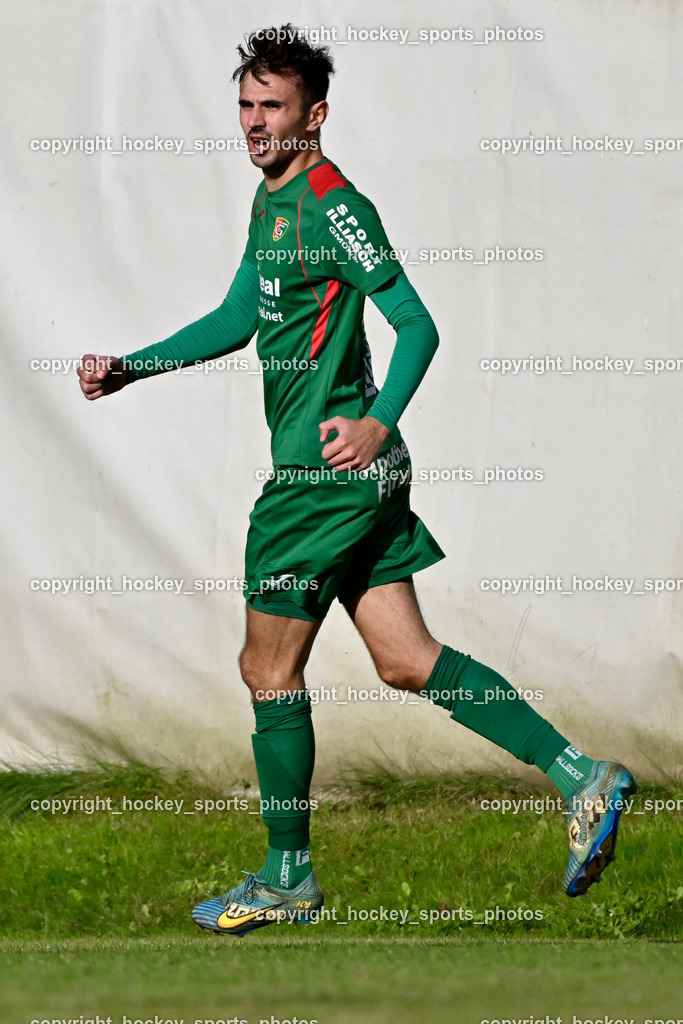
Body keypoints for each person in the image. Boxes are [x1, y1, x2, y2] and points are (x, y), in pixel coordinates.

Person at [77, 24, 637, 937]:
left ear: (315, 116)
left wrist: (377, 422)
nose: (254, 123)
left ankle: (286, 877)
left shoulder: (334, 205)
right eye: (245, 106)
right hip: (353, 480)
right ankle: (582, 776)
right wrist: (133, 367)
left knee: (267, 669)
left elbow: (418, 325)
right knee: (407, 659)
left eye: (273, 107)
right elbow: (237, 316)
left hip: (321, 479)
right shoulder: (271, 200)